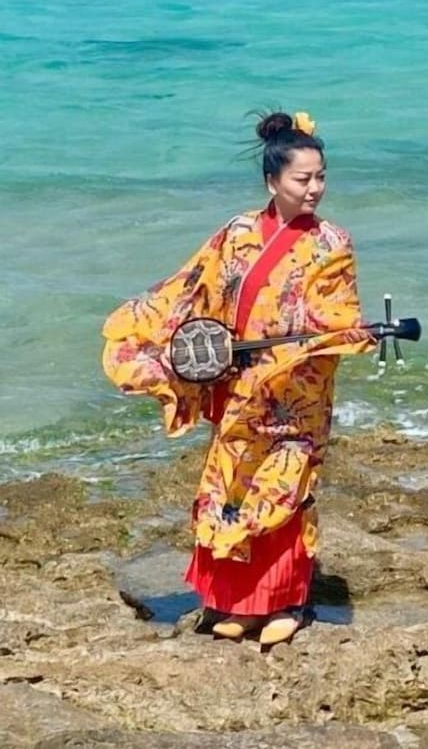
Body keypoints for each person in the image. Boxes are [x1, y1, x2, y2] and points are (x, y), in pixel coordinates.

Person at [102, 110, 375, 646]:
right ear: (273, 181)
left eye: (321, 177)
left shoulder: (332, 242)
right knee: (234, 487)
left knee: (284, 490)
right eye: (303, 178)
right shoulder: (238, 232)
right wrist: (174, 344)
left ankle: (287, 603)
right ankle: (237, 605)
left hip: (295, 392)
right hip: (236, 383)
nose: (315, 188)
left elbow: (336, 314)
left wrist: (345, 335)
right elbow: (196, 289)